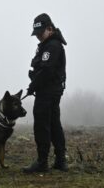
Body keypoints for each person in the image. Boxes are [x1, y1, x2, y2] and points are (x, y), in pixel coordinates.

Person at [22, 13, 69, 173]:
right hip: (51, 90)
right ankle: (60, 161)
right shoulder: (48, 44)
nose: (38, 37)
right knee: (54, 124)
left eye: (41, 33)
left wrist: (33, 86)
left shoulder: (52, 46)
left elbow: (46, 70)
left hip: (47, 92)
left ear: (49, 28)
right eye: (36, 34)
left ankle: (42, 162)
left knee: (42, 125)